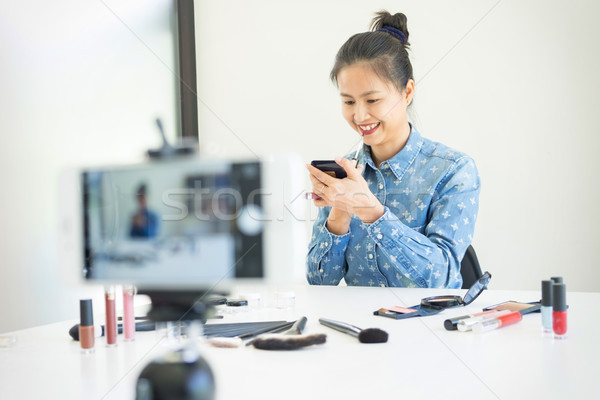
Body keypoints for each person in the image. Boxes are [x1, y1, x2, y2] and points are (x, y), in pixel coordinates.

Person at [306, 11, 480, 288]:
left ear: (407, 92)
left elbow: (441, 277)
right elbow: (319, 281)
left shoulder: (454, 171)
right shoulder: (345, 174)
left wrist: (371, 212)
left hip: (430, 327)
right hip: (360, 327)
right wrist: (340, 213)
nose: (360, 116)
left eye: (372, 100)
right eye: (349, 102)